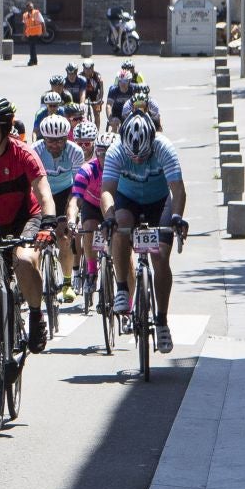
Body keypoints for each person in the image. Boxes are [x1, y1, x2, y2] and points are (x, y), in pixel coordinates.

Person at [0, 95, 55, 370]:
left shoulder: (24, 154)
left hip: (23, 218)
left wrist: (49, 224)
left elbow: (44, 194)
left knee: (26, 260)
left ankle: (37, 315)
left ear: (6, 128)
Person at [102, 112, 187, 354]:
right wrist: (108, 218)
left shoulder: (164, 147)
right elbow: (107, 191)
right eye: (133, 156)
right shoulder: (116, 151)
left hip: (159, 202)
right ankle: (121, 288)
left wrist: (177, 218)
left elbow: (178, 191)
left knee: (160, 258)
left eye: (143, 155)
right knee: (119, 227)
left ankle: (161, 321)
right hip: (127, 200)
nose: (138, 160)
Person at [33, 115, 86, 304]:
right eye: (50, 140)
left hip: (66, 192)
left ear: (67, 138)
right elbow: (30, 185)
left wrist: (71, 217)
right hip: (41, 193)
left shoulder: (75, 152)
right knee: (35, 239)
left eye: (60, 140)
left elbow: (77, 189)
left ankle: (66, 283)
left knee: (64, 237)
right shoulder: (35, 151)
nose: (55, 145)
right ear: (43, 138)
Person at [68, 130, 117, 296]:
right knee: (88, 227)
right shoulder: (87, 170)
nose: (105, 157)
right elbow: (75, 199)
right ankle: (91, 271)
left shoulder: (123, 169)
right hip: (92, 204)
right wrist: (71, 220)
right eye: (102, 153)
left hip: (115, 206)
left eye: (110, 153)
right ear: (97, 152)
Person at [81, 60, 105, 127]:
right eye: (86, 69)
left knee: (97, 113)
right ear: (83, 68)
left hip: (94, 94)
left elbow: (101, 90)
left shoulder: (97, 76)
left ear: (93, 68)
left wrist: (100, 100)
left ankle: (96, 132)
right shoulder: (80, 76)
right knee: (79, 111)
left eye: (90, 68)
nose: (88, 70)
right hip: (84, 93)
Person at [23, 1, 45, 66]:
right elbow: (25, 25)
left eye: (32, 7)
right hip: (30, 34)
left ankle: (32, 61)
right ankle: (34, 60)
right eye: (29, 7)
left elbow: (42, 22)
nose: (31, 8)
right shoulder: (25, 15)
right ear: (27, 8)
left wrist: (44, 32)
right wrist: (24, 34)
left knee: (32, 47)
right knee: (32, 47)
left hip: (36, 33)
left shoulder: (37, 13)